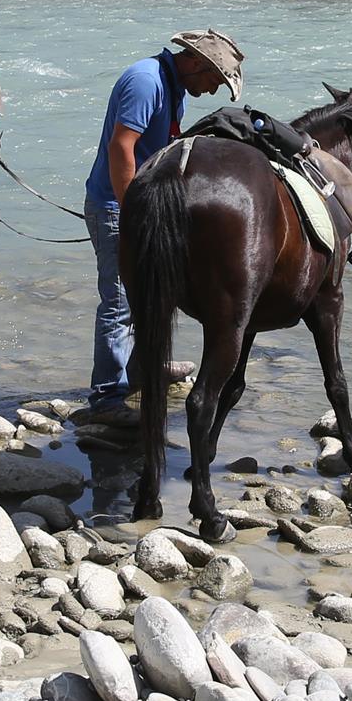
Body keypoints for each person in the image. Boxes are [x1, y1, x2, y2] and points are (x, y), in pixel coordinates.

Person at [74, 28, 244, 426]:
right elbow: (122, 146)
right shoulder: (147, 80)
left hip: (142, 205)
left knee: (150, 295)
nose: (214, 90)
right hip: (116, 205)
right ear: (197, 63)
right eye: (215, 81)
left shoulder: (175, 85)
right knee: (118, 303)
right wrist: (131, 212)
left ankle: (143, 368)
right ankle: (106, 399)